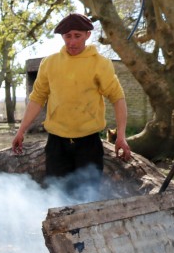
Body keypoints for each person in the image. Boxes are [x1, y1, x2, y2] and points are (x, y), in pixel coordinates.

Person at [12, 13, 132, 182]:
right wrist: (21, 131)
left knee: (88, 194)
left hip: (89, 143)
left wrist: (121, 136)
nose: (72, 42)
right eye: (68, 36)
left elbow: (118, 98)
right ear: (62, 36)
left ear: (87, 35)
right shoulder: (49, 63)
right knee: (56, 193)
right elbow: (37, 98)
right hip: (56, 144)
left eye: (77, 36)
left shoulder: (100, 64)